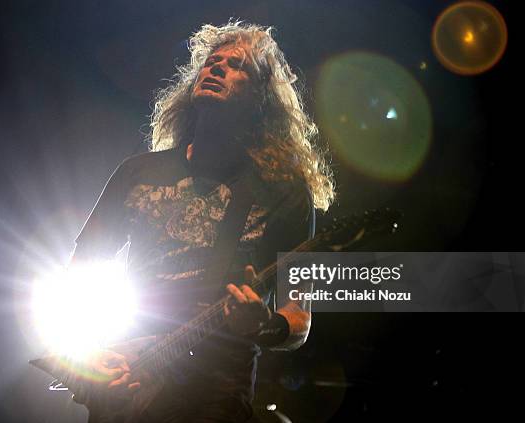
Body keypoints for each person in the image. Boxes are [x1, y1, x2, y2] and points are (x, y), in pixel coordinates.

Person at [68, 21, 334, 423]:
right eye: (212, 61)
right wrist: (85, 359)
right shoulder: (137, 172)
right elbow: (80, 276)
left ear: (261, 97)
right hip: (126, 378)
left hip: (213, 393)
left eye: (236, 65)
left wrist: (263, 325)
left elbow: (299, 318)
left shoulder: (282, 192)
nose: (216, 68)